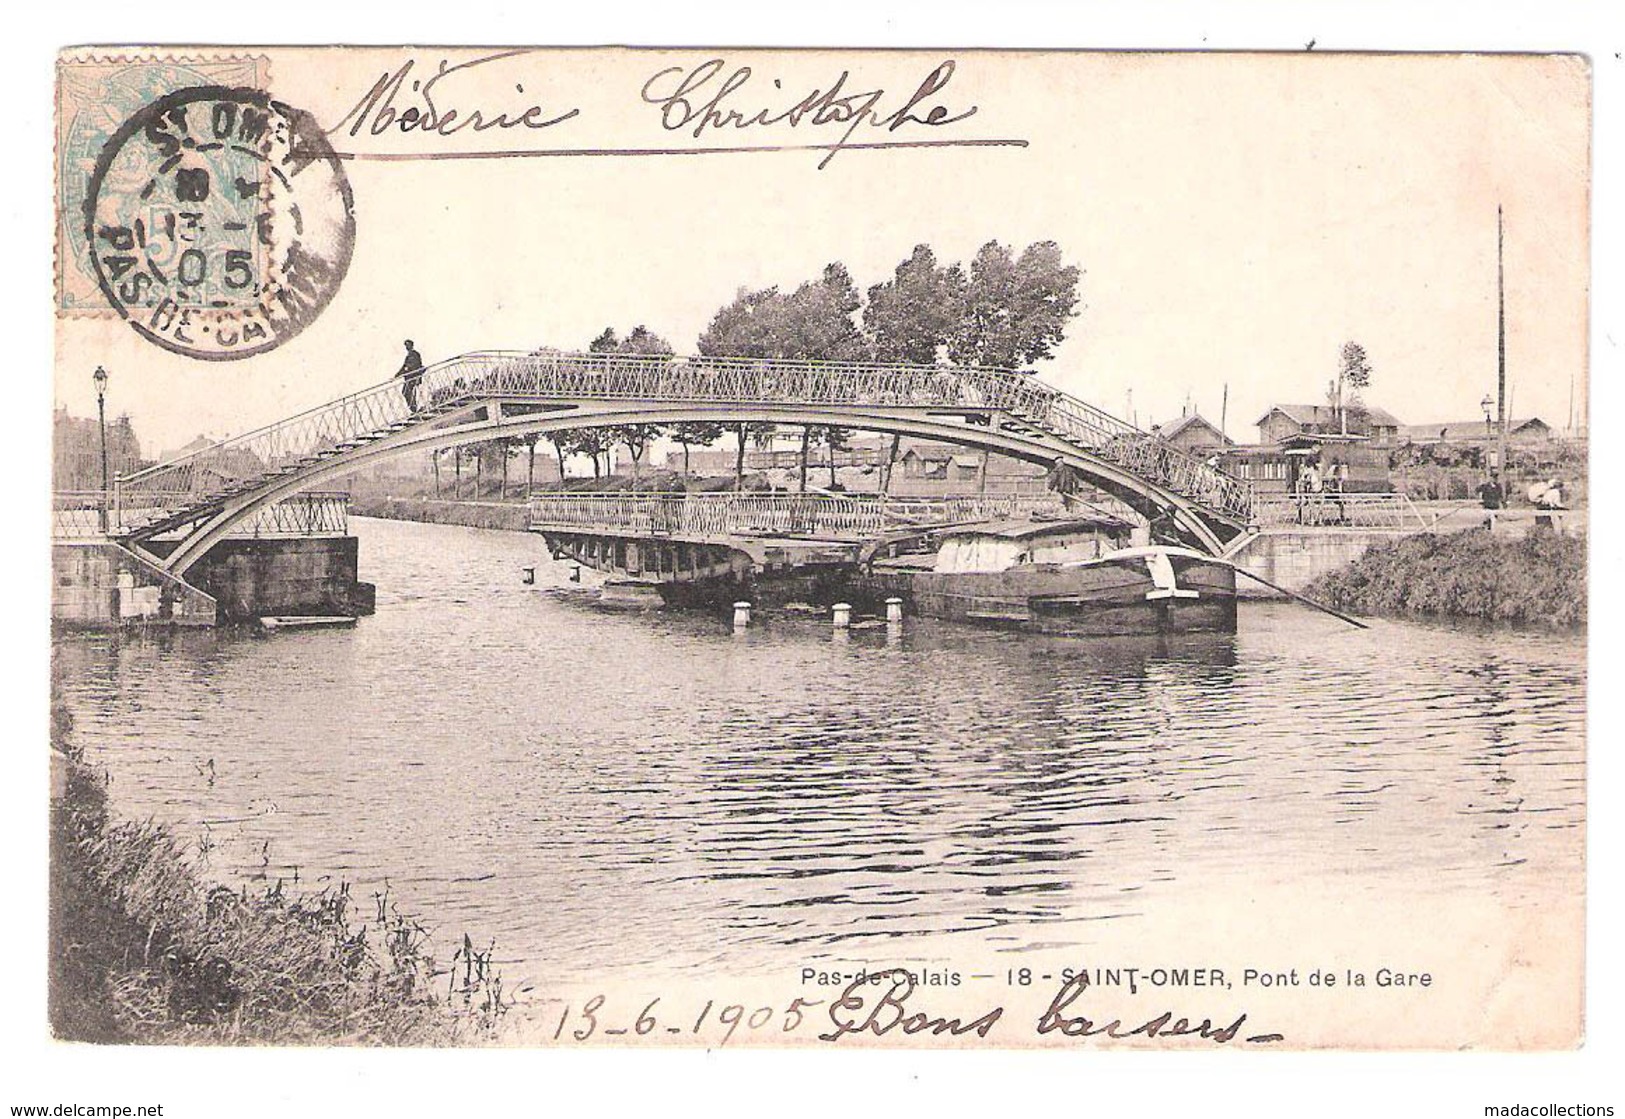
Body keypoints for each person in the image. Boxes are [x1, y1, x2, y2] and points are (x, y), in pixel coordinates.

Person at [396, 339, 425, 411]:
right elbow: (404, 367)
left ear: (411, 345)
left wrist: (407, 370)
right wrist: (396, 376)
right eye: (406, 345)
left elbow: (415, 365)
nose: (406, 347)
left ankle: (414, 408)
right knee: (407, 392)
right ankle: (413, 408)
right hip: (409, 378)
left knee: (408, 392)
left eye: (408, 345)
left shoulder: (414, 354)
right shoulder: (408, 356)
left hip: (413, 377)